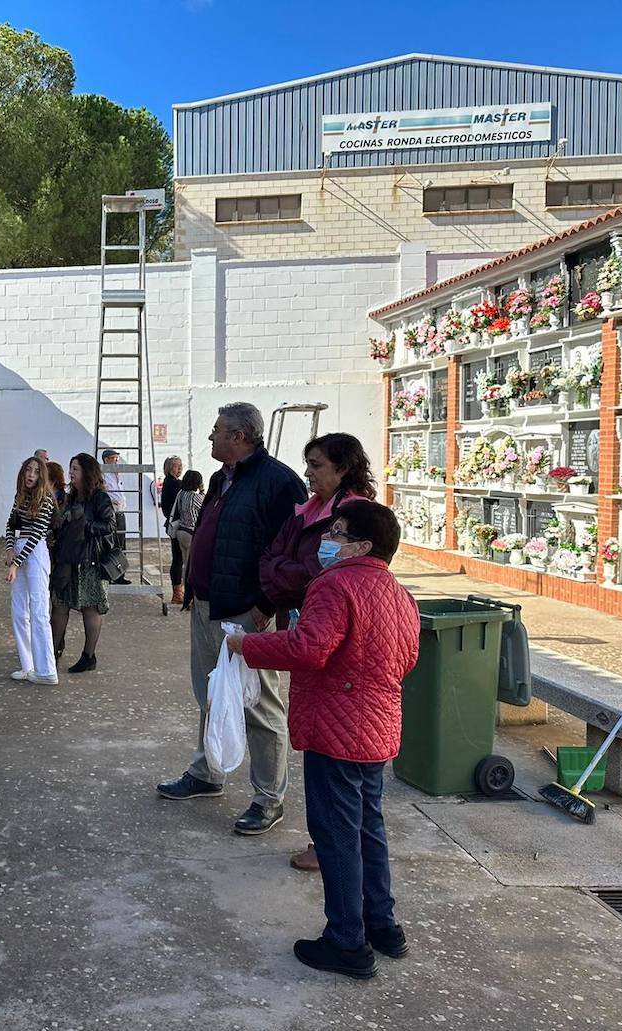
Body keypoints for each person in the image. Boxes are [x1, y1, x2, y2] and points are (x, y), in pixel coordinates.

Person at [226, 500, 419, 980]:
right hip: (377, 726)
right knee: (368, 829)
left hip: (338, 729)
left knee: (336, 835)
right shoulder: (397, 592)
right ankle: (382, 925)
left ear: (361, 545)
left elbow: (309, 648)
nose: (327, 538)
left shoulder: (336, 584)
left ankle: (346, 941)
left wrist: (245, 646)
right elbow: (408, 656)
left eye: (337, 531)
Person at [155, 402, 306, 836]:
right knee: (209, 692)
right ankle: (208, 773)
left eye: (217, 430)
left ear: (239, 437)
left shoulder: (277, 483)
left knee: (258, 703)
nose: (211, 437)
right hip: (207, 605)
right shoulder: (223, 478)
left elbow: (294, 554)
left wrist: (264, 604)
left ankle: (268, 797)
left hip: (245, 611)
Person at [258, 432, 377, 873]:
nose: (307, 473)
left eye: (317, 465)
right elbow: (274, 559)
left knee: (335, 753)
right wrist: (285, 575)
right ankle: (331, 841)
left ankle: (332, 847)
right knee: (321, 742)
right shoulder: (308, 511)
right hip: (309, 626)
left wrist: (287, 574)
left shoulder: (355, 517)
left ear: (343, 468)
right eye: (307, 463)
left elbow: (312, 571)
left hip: (337, 642)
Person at [49, 452, 115, 674]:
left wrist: (84, 524)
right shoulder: (70, 496)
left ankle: (88, 656)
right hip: (67, 561)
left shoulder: (99, 498)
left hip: (90, 563)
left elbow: (109, 526)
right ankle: (52, 651)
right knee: (59, 605)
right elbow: (62, 523)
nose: (71, 473)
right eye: (70, 469)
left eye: (75, 469)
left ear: (87, 472)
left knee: (90, 609)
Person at [5, 456, 58, 685]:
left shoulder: (46, 499)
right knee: (19, 612)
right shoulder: (20, 496)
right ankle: (28, 665)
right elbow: (10, 524)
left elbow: (37, 534)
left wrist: (16, 563)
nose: (31, 475)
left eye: (36, 472)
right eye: (28, 470)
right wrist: (9, 550)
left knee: (38, 611)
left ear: (42, 475)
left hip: (35, 553)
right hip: (19, 549)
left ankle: (47, 670)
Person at [167, 469, 205, 603]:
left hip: (181, 532)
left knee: (185, 566)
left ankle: (184, 594)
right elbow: (206, 508)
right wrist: (202, 491)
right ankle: (190, 596)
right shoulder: (196, 497)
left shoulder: (181, 494)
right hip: (191, 533)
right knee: (192, 568)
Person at [101, 448, 131, 584]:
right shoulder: (103, 475)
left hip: (120, 512)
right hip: (111, 513)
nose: (117, 461)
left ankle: (120, 574)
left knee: (121, 543)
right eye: (114, 459)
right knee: (112, 543)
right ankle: (110, 574)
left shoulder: (117, 474)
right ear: (106, 460)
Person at [160, 456, 184, 605]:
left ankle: (178, 591)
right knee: (179, 559)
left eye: (181, 465)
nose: (179, 468)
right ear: (169, 468)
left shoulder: (170, 482)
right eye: (176, 466)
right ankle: (177, 593)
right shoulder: (175, 484)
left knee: (178, 558)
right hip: (178, 524)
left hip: (173, 524)